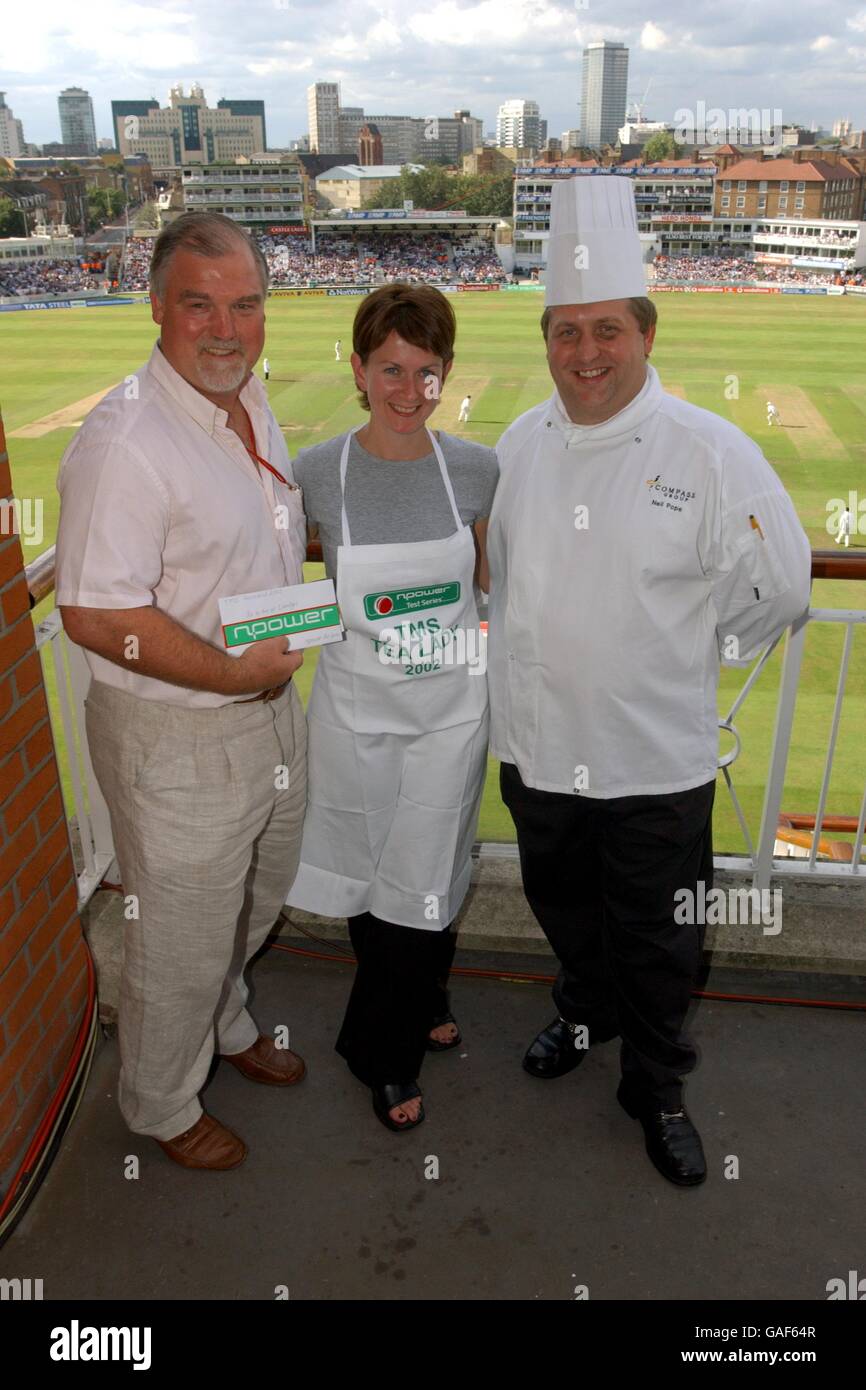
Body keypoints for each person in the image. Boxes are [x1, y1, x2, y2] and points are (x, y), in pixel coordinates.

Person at [486, 176, 812, 1187]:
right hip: (538, 751)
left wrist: (672, 661)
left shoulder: (708, 452)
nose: (584, 354)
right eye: (565, 331)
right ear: (545, 336)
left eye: (606, 330)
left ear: (644, 329)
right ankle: (581, 1015)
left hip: (650, 761)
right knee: (567, 914)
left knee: (662, 944)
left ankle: (657, 1088)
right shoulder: (515, 446)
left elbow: (779, 585)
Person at [55, 212, 309, 1172]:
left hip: (267, 709)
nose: (224, 327)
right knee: (179, 937)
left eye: (244, 306)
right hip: (177, 732)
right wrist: (235, 672)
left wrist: (272, 657)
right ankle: (160, 1102)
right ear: (155, 305)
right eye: (198, 304)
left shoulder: (246, 399)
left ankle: (229, 1020)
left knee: (259, 890)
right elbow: (90, 614)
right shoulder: (129, 440)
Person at [289, 284, 497, 1132]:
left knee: (430, 866)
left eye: (427, 372)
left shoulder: (476, 470)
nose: (409, 393)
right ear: (359, 370)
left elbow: (488, 587)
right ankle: (422, 996)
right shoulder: (316, 474)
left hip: (449, 712)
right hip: (353, 712)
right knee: (377, 872)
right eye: (391, 371)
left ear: (445, 373)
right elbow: (282, 590)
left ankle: (382, 1054)